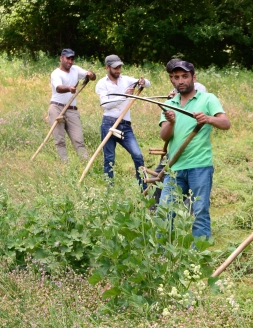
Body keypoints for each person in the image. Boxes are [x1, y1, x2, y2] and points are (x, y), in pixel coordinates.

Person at [159, 59, 230, 240]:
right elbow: (164, 136)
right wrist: (172, 122)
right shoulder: (170, 104)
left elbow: (225, 123)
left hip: (200, 166)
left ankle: (199, 254)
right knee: (165, 212)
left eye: (184, 76)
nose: (180, 80)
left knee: (200, 211)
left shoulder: (208, 99)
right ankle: (161, 256)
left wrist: (207, 118)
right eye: (176, 77)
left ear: (193, 77)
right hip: (174, 168)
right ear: (171, 80)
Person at [94, 55, 149, 188]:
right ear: (107, 68)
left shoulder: (126, 80)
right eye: (115, 68)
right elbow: (105, 103)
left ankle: (143, 187)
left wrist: (143, 82)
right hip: (109, 124)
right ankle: (109, 190)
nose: (118, 70)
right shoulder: (102, 83)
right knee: (109, 159)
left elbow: (147, 83)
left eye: (119, 67)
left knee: (137, 155)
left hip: (125, 125)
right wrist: (124, 96)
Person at [48, 48, 95, 161]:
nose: (70, 61)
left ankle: (85, 163)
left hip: (72, 109)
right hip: (57, 108)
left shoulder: (75, 69)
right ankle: (65, 164)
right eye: (67, 58)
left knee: (78, 139)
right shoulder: (56, 73)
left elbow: (92, 77)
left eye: (72, 59)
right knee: (60, 140)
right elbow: (59, 88)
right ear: (61, 58)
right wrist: (69, 88)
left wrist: (90, 74)